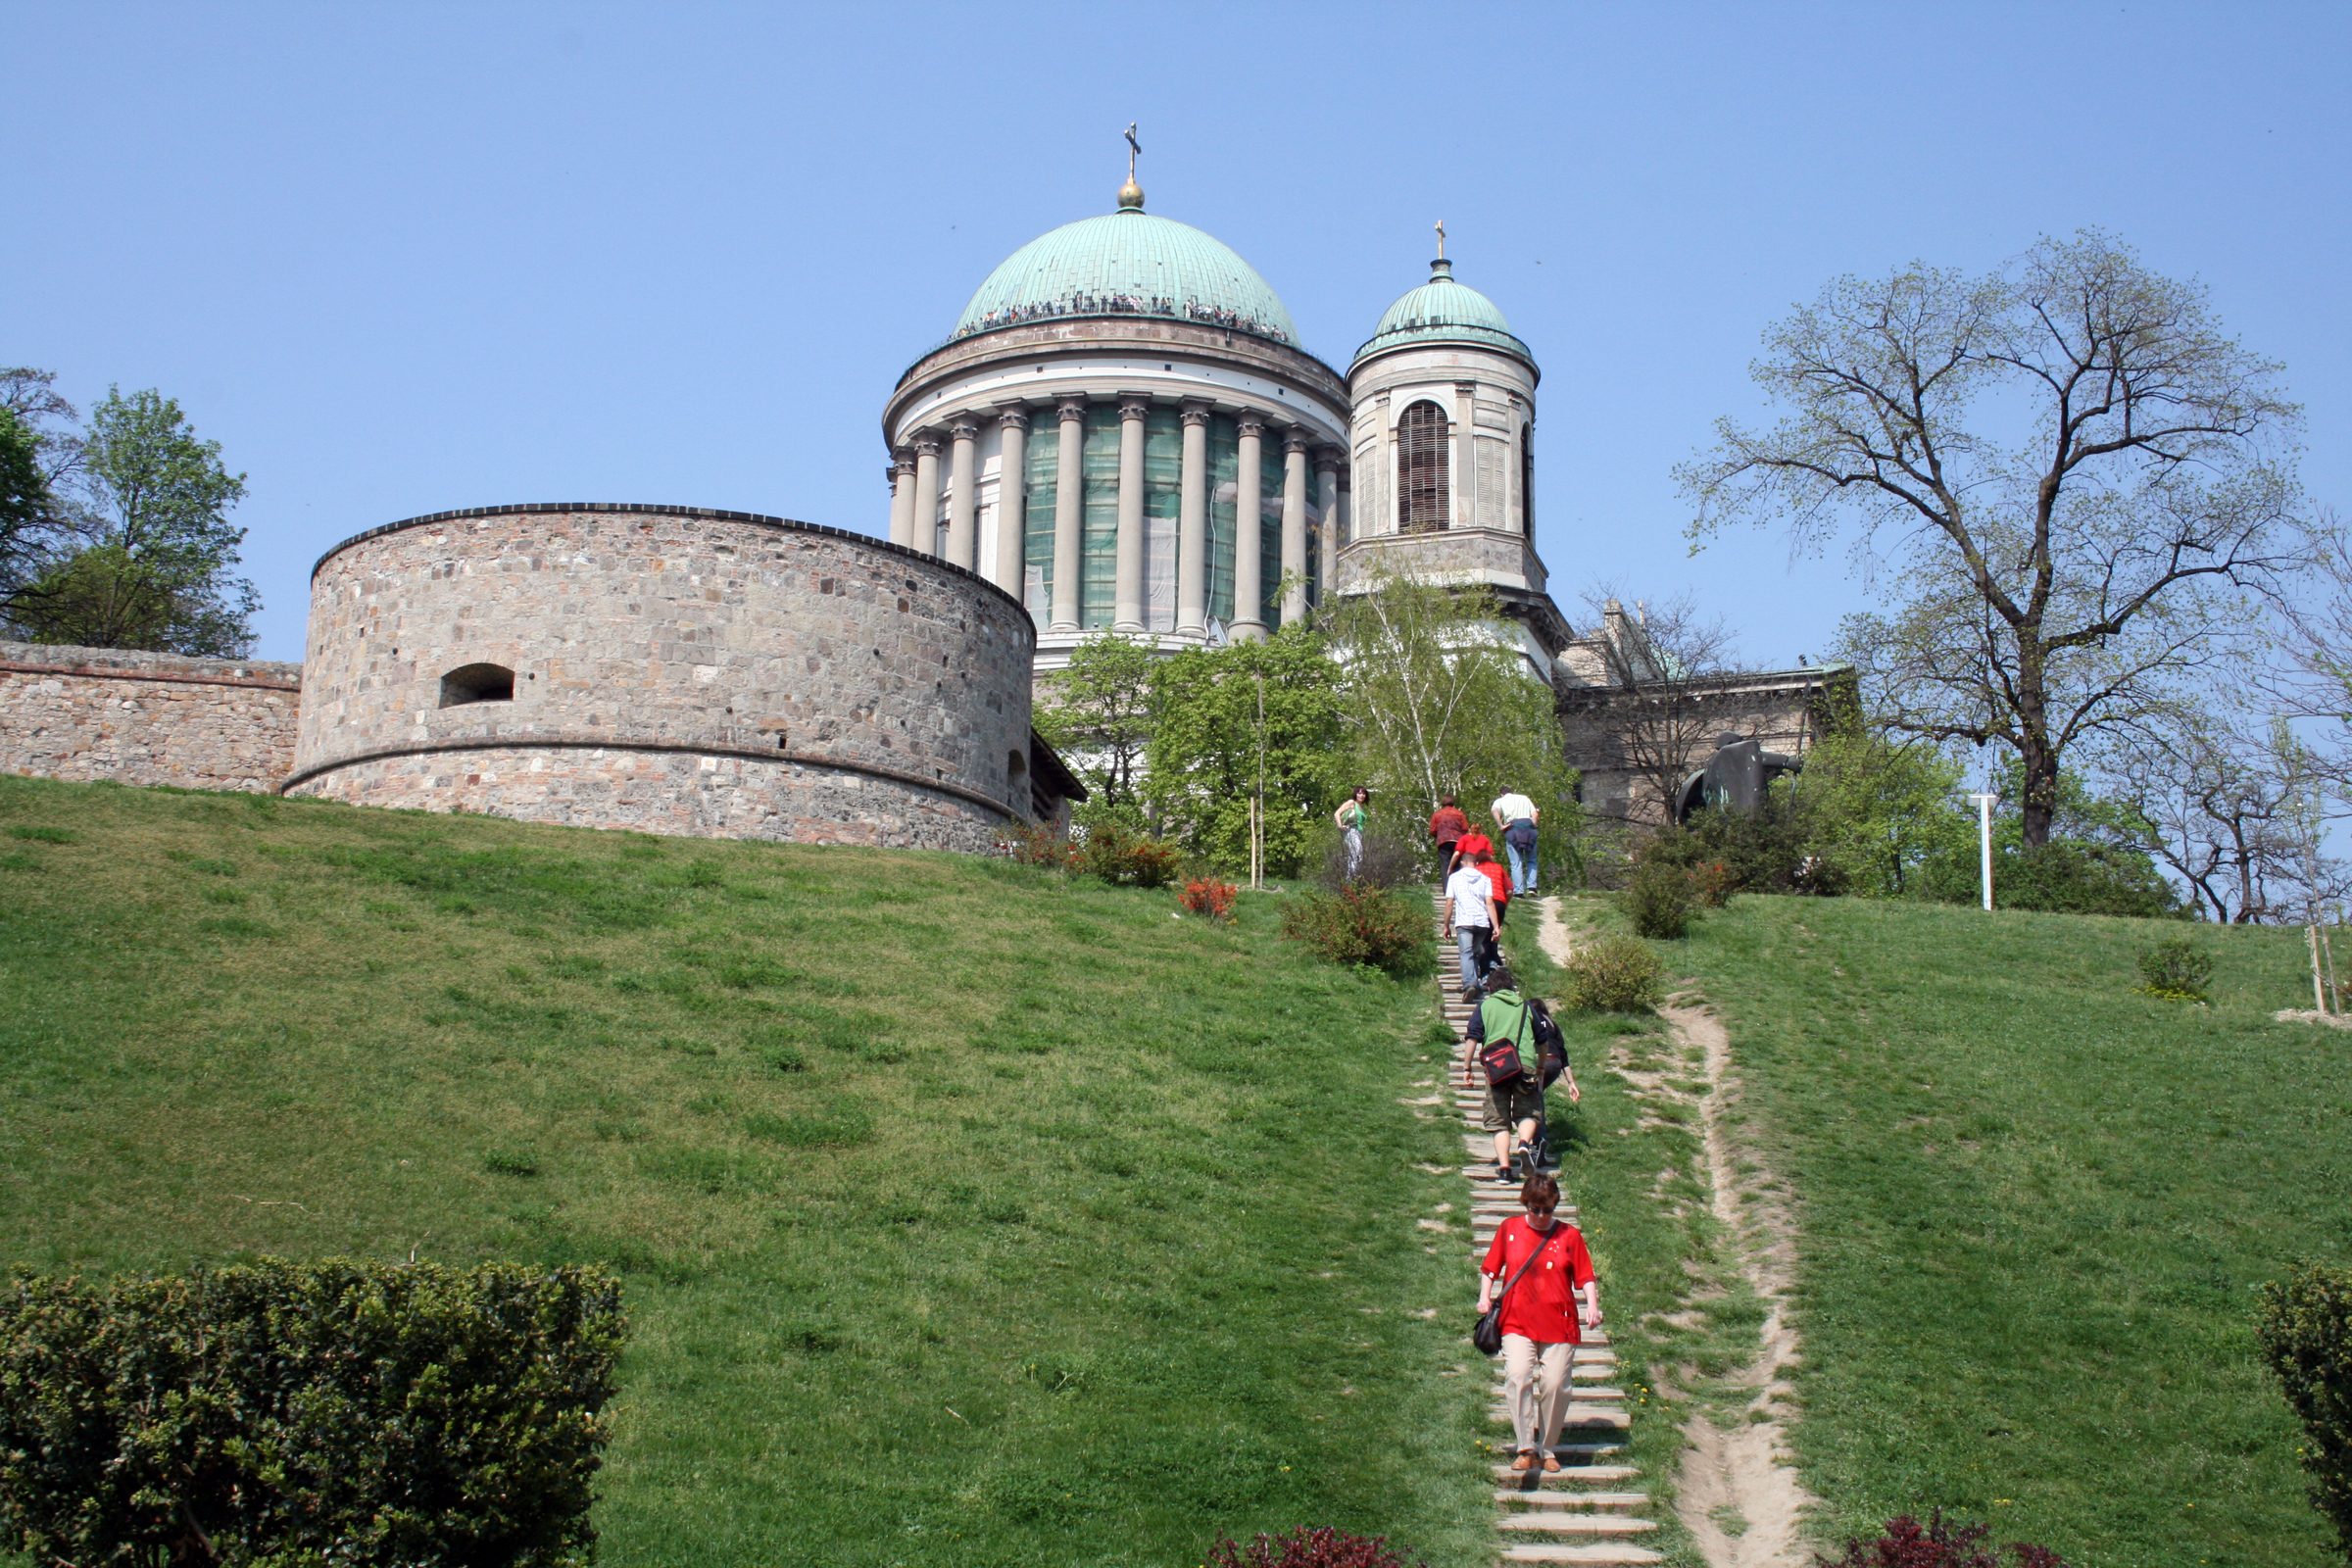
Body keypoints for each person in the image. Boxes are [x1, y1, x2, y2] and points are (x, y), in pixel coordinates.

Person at [1476, 1172, 1600, 1473]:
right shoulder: (1510, 1229)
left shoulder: (1570, 1236)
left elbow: (1585, 1276)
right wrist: (1484, 1296)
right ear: (1526, 1204)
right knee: (1518, 1376)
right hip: (1517, 1319)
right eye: (1535, 1208)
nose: (1542, 1215)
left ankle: (1548, 1447)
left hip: (1559, 1323)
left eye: (1548, 1209)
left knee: (1556, 1384)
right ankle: (1525, 1447)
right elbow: (1490, 1267)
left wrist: (1593, 1307)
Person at [1461, 964, 1577, 1183]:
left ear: (1491, 988)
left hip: (1497, 1067)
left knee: (1498, 1119)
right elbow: (1542, 1042)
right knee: (1529, 1112)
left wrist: (1467, 1068)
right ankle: (1524, 1143)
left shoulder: (1485, 1007)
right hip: (1524, 1065)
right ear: (1512, 987)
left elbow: (1472, 1038)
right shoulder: (1526, 1007)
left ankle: (1505, 1170)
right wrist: (1540, 1066)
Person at [1442, 849, 1497, 998]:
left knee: (1466, 953)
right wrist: (1496, 926)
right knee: (1474, 953)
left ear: (1462, 863)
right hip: (1482, 923)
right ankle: (1475, 984)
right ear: (1476, 863)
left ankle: (1469, 984)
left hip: (1464, 922)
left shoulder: (1454, 878)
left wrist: (1446, 926)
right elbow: (1490, 904)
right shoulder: (1485, 879)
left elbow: (1449, 904)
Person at [1492, 788, 1541, 896]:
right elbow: (1535, 814)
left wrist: (1501, 826)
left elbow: (1494, 810)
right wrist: (1533, 826)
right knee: (1532, 860)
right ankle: (1532, 887)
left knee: (1516, 863)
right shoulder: (1524, 798)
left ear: (1501, 794)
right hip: (1528, 827)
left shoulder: (1501, 800)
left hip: (1513, 828)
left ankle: (1519, 891)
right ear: (1512, 792)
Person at [1333, 786, 1370, 881]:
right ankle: (1351, 880)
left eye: (1363, 793)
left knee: (1355, 856)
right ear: (1355, 794)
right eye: (1359, 793)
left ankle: (1352, 880)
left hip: (1359, 832)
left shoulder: (1361, 807)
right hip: (1351, 830)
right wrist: (1340, 825)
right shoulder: (1351, 803)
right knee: (1357, 854)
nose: (1361, 795)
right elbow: (1337, 813)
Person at [1429, 795, 1470, 880]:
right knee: (1457, 864)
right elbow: (1465, 828)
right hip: (1458, 841)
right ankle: (1458, 888)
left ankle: (1447, 889)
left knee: (1445, 865)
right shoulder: (1459, 813)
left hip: (1443, 842)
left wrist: (1439, 835)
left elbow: (1432, 830)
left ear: (1442, 803)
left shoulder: (1437, 814)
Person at [1476, 845, 1512, 934]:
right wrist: (1505, 902)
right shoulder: (1499, 868)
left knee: (1484, 935)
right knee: (1495, 932)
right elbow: (1509, 890)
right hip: (1499, 902)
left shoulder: (1476, 870)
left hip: (1483, 903)